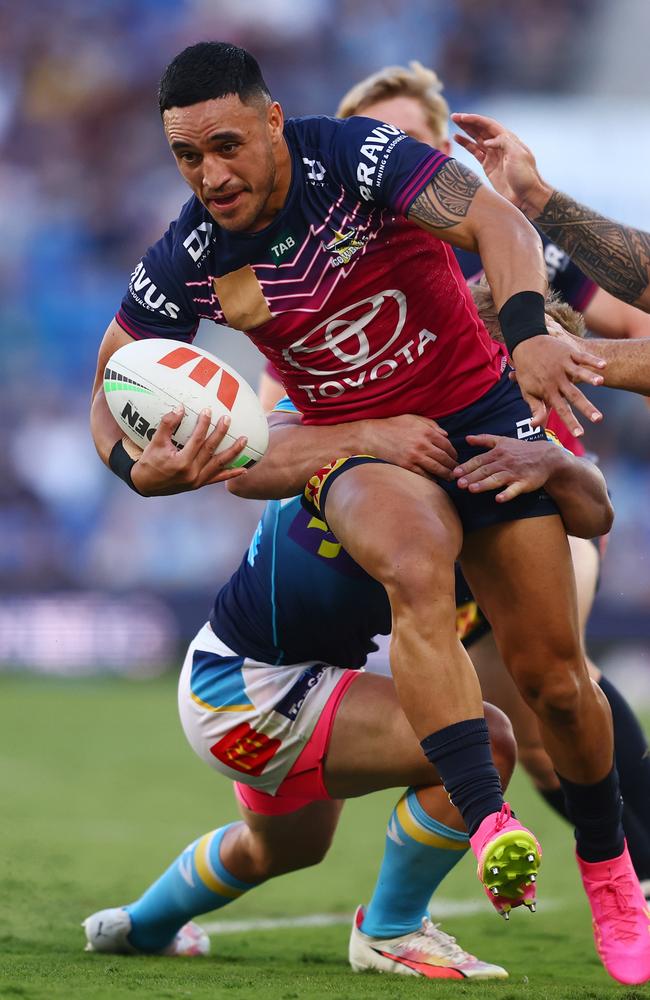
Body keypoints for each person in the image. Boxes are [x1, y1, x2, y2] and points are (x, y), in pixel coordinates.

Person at [88, 41, 644, 982]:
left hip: (481, 413)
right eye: (189, 157)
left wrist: (532, 347)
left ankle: (610, 869)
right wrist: (134, 471)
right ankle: (488, 820)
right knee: (418, 571)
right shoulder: (192, 251)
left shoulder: (355, 158)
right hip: (363, 440)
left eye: (226, 145)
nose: (211, 174)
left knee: (554, 679)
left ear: (271, 122)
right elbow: (111, 388)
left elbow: (502, 226)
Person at [84, 411, 610, 979]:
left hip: (230, 677)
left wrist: (556, 461)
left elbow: (594, 513)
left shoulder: (366, 422)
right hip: (256, 691)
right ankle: (391, 931)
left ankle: (139, 926)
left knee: (281, 849)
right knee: (489, 742)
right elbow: (248, 461)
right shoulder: (380, 438)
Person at [451, 112, 650, 315]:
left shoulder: (513, 238)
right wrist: (534, 196)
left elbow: (635, 318)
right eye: (415, 144)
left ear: (443, 148)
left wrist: (571, 347)